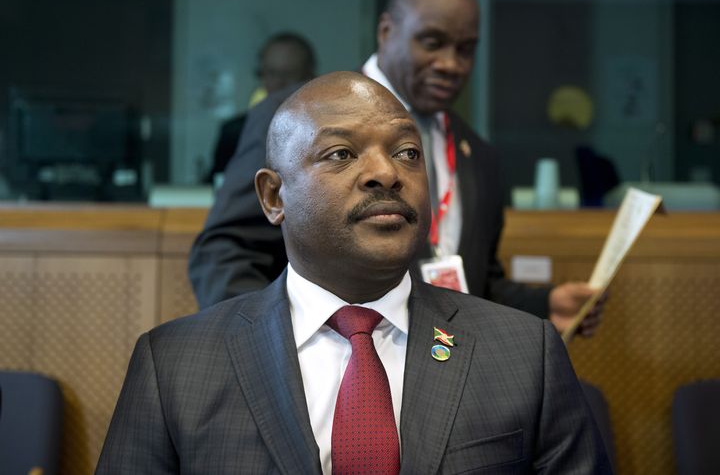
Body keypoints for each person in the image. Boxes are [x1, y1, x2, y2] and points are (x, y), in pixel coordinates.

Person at [97, 72, 611, 473]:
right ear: (274, 197)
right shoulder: (173, 367)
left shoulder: (526, 356)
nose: (387, 173)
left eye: (407, 153)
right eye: (341, 154)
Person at [189, 0, 603, 338]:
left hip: (442, 376)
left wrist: (544, 305)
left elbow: (471, 280)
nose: (450, 64)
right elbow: (225, 252)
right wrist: (267, 347)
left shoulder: (478, 155)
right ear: (387, 31)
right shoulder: (298, 118)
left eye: (466, 49)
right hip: (329, 366)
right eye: (432, 42)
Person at [205, 32, 316, 183]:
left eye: (287, 74)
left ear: (309, 77)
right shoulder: (234, 133)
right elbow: (216, 185)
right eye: (270, 73)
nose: (278, 82)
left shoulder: (323, 129)